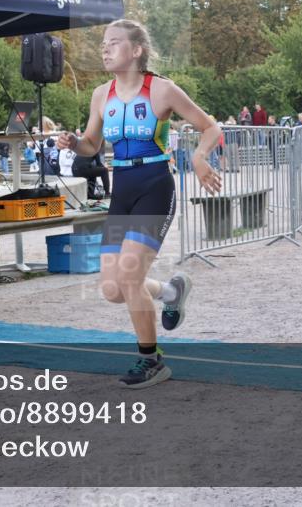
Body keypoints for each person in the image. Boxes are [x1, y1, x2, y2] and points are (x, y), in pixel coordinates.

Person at [56, 19, 221, 389]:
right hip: (123, 192)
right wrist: (74, 142)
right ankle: (171, 292)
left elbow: (211, 127)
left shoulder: (162, 90)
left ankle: (152, 360)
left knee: (129, 278)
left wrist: (199, 158)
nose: (105, 48)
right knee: (113, 289)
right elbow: (92, 145)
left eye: (114, 42)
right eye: (104, 43)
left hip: (154, 187)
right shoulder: (101, 94)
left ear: (136, 50)